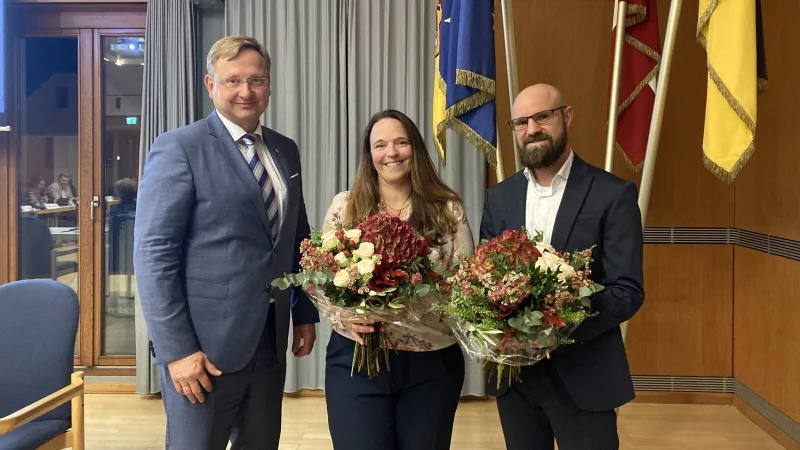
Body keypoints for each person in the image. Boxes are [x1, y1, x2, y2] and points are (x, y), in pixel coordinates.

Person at [133, 35, 319, 450]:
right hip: (204, 350)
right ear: (210, 85)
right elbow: (153, 256)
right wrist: (177, 351)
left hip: (269, 341)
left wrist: (304, 312)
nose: (245, 91)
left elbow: (296, 237)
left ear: (269, 86)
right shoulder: (179, 148)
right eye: (233, 80)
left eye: (256, 80)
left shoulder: (285, 150)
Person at [479, 84, 645, 449]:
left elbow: (627, 291)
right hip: (516, 378)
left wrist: (557, 327)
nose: (532, 129)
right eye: (521, 122)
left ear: (566, 116)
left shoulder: (613, 195)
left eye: (543, 117)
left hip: (585, 373)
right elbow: (483, 281)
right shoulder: (499, 197)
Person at [321, 109, 474, 450]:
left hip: (431, 362)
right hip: (356, 358)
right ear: (369, 154)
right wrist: (342, 313)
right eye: (381, 145)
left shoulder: (447, 209)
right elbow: (321, 280)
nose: (391, 153)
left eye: (401, 142)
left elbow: (466, 285)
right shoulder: (344, 208)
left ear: (415, 149)